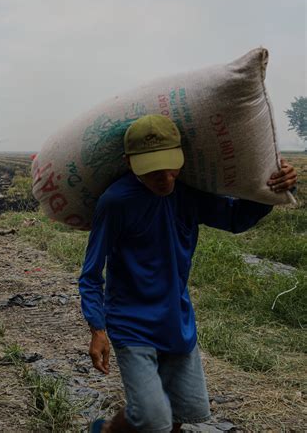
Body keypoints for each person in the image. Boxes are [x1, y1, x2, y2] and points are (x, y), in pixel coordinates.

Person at [79, 114, 297, 433]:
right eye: (153, 169)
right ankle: (105, 430)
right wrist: (97, 328)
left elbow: (236, 219)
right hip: (131, 322)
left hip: (177, 321)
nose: (165, 177)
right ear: (130, 163)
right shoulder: (116, 202)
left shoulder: (188, 194)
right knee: (154, 418)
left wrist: (276, 189)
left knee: (180, 413)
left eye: (171, 165)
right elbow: (91, 272)